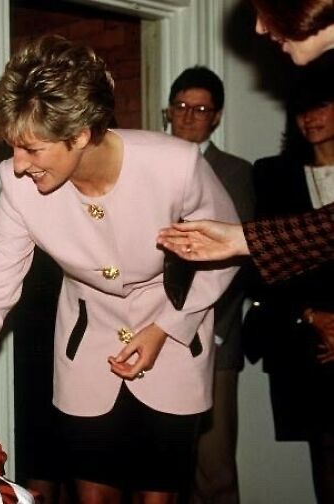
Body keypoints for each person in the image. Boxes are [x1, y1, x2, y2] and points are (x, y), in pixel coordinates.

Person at [0, 35, 239, 504]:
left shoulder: (176, 165)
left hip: (173, 345)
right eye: (13, 148)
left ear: (82, 134)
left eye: (32, 149)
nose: (19, 165)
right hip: (86, 353)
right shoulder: (17, 184)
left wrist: (170, 325)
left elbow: (227, 251)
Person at [156, 0, 334, 279]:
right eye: (180, 107)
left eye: (265, 9)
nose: (259, 27)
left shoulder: (236, 170)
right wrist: (240, 239)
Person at [245, 61, 334, 504]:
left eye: (320, 106)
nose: (310, 118)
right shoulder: (273, 174)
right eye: (301, 110)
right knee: (325, 449)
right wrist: (314, 316)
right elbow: (263, 260)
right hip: (304, 334)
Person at [166, 66, 254, 504]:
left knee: (213, 467)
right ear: (168, 110)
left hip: (213, 337)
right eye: (181, 106)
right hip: (153, 334)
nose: (188, 116)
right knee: (162, 470)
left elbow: (240, 258)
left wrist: (213, 327)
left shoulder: (234, 172)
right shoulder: (148, 162)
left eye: (200, 109)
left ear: (216, 117)